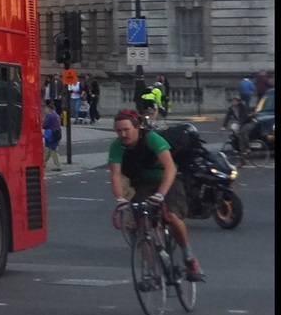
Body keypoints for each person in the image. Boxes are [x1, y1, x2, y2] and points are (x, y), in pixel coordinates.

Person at [109, 107, 203, 281]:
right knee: (142, 226)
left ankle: (189, 257)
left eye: (126, 129)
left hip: (169, 180)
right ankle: (150, 271)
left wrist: (161, 194)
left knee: (173, 217)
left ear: (137, 128)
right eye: (119, 130)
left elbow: (170, 167)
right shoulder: (117, 146)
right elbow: (115, 175)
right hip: (145, 184)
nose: (123, 134)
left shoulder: (152, 139)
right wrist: (120, 199)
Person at [221, 95, 256, 166]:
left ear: (239, 101)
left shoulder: (243, 107)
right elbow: (227, 117)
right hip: (240, 122)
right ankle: (241, 154)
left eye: (235, 101)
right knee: (235, 136)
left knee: (242, 132)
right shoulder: (231, 108)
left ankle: (247, 147)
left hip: (248, 122)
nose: (234, 102)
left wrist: (239, 125)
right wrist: (224, 126)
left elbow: (244, 117)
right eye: (233, 101)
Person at [42, 102, 62, 171]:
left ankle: (58, 165)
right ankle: (43, 163)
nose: (45, 110)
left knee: (53, 150)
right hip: (57, 133)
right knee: (48, 150)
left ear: (49, 109)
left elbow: (44, 125)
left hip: (51, 134)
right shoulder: (57, 115)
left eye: (46, 109)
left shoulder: (49, 115)